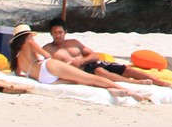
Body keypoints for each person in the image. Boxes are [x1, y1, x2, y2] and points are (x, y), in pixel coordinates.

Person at [10, 25, 140, 93]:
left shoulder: (16, 58)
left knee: (79, 81)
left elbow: (18, 73)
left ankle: (112, 90)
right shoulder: (30, 43)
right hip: (47, 67)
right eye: (31, 36)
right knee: (88, 77)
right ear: (27, 36)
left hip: (43, 79)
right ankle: (127, 90)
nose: (32, 38)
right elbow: (47, 56)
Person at [42, 17, 165, 84]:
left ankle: (161, 82)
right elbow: (42, 65)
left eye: (60, 32)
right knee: (100, 71)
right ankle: (134, 83)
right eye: (55, 33)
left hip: (92, 63)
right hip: (83, 71)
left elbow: (94, 55)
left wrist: (80, 61)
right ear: (51, 33)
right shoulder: (48, 49)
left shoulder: (74, 43)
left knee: (126, 69)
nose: (58, 35)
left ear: (65, 32)